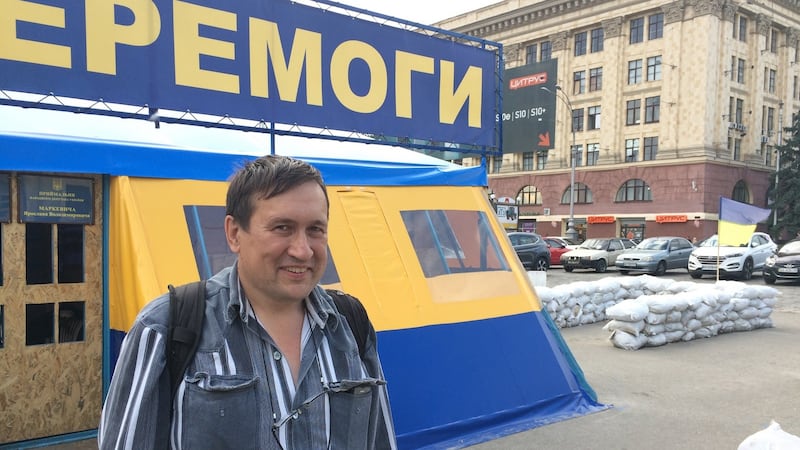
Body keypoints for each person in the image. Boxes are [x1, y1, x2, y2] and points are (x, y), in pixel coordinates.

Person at [99, 155, 397, 449]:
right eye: (283, 227)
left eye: (315, 230)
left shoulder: (350, 324)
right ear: (234, 233)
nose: (303, 250)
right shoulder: (165, 327)